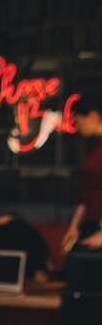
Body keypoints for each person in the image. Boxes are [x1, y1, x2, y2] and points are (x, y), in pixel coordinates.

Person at [63, 97, 102, 251]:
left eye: (78, 120)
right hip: (90, 224)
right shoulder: (91, 147)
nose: (76, 126)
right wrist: (74, 226)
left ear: (93, 116)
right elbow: (86, 192)